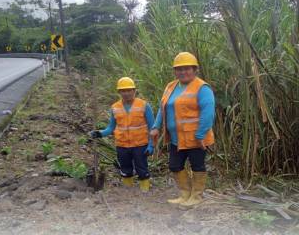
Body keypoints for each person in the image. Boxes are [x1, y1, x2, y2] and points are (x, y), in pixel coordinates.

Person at [150, 52, 215, 206]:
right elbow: (162, 107)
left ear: (195, 69)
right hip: (176, 138)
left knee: (197, 166)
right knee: (175, 165)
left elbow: (208, 113)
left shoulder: (202, 88)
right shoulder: (171, 86)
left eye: (187, 68)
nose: (183, 72)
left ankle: (196, 197)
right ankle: (185, 194)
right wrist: (155, 126)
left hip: (196, 139)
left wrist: (200, 135)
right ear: (175, 71)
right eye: (179, 69)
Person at [90, 77, 154, 192]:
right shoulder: (115, 107)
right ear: (119, 92)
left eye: (129, 90)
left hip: (140, 145)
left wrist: (151, 145)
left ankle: (145, 192)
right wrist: (99, 133)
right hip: (122, 145)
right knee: (125, 169)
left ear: (134, 91)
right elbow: (111, 128)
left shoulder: (144, 106)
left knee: (142, 169)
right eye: (123, 91)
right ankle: (128, 191)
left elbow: (152, 128)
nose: (126, 93)